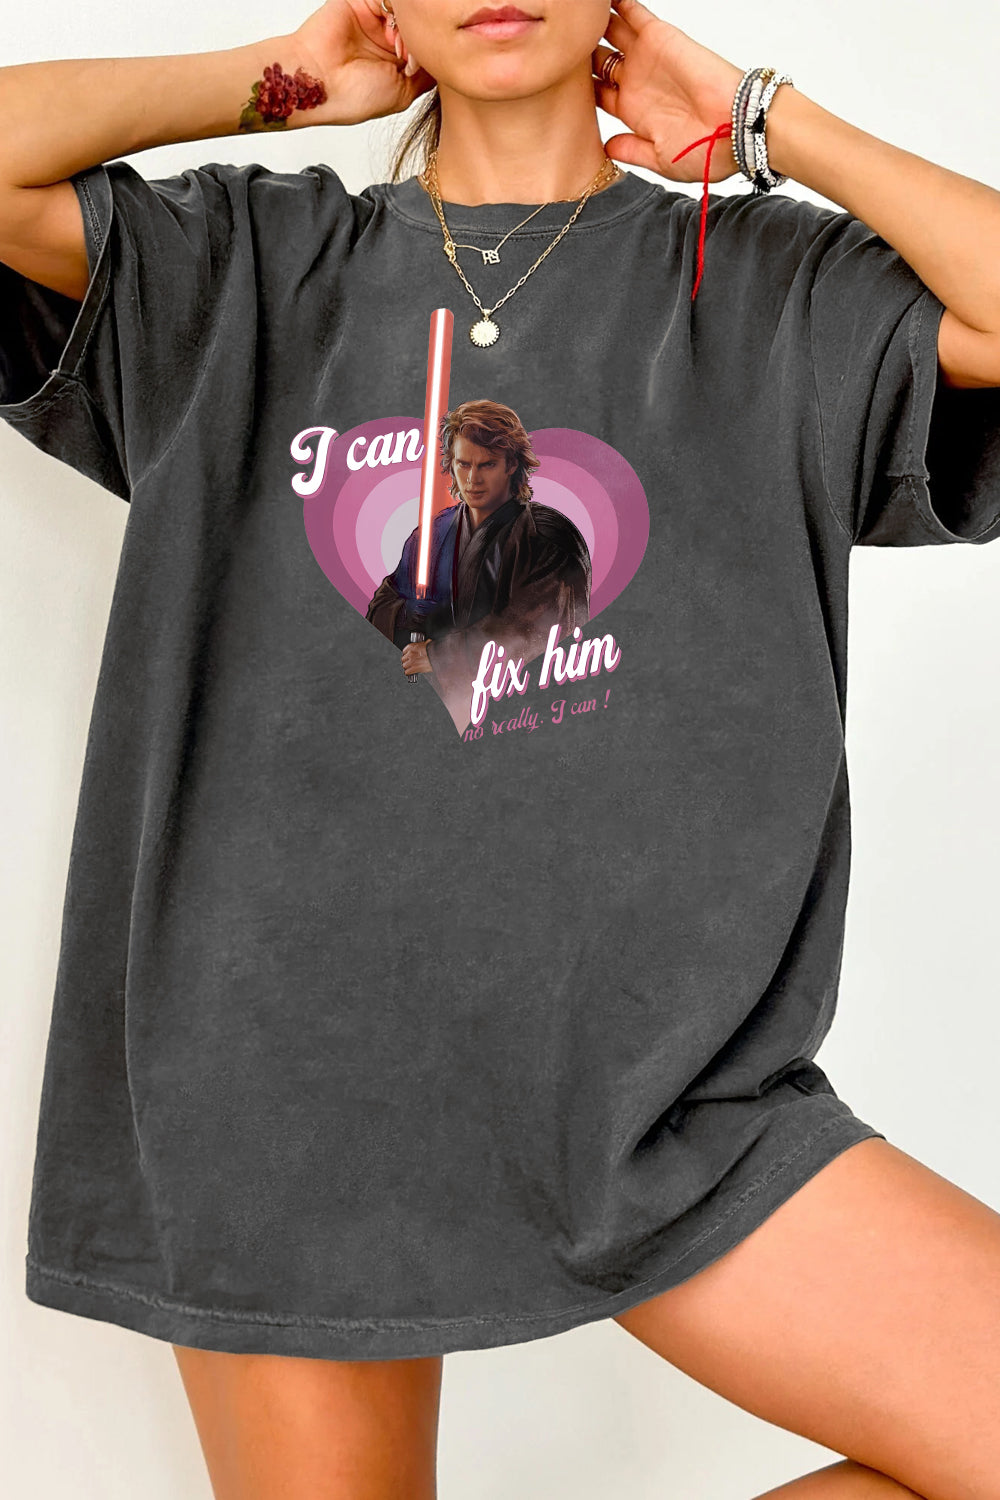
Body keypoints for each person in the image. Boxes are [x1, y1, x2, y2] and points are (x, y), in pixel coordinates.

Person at [2, 1, 1000, 1496]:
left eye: (487, 461)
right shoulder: (245, 265)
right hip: (286, 1098)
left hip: (667, 1106)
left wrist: (763, 122)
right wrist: (275, 86)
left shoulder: (769, 288)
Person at [365, 398, 592, 732]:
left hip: (524, 719)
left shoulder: (547, 537)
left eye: (487, 465)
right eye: (463, 464)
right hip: (434, 718)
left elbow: (534, 635)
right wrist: (407, 617)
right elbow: (381, 606)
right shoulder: (432, 535)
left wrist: (438, 655)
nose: (472, 479)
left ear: (512, 464)